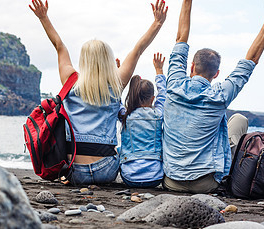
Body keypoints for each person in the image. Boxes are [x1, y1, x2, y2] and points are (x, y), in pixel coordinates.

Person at [29, 0, 168, 185]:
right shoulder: (116, 83)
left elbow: (59, 45)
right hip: (107, 171)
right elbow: (138, 49)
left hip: (73, 170)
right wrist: (157, 23)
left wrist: (43, 18)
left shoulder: (70, 81)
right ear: (108, 60)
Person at [163, 0, 264, 193]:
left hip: (170, 180)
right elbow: (252, 59)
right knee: (238, 120)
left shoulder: (173, 84)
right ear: (216, 73)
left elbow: (181, 38)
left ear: (191, 67)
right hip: (205, 184)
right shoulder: (221, 94)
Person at [119, 53, 166, 188]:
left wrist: (117, 74)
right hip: (156, 176)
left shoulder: (125, 116)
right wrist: (159, 70)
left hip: (129, 177)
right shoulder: (158, 114)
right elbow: (163, 94)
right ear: (152, 99)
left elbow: (115, 99)